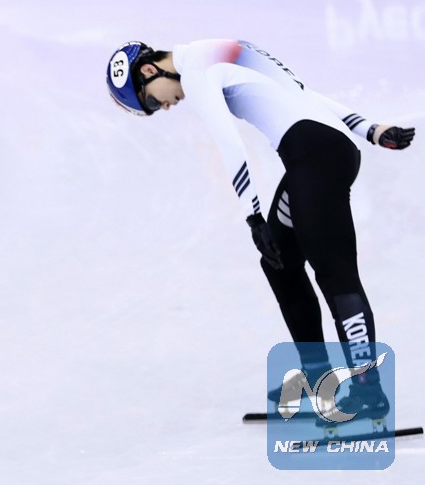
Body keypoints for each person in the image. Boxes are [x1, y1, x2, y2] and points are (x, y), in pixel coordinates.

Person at [106, 39, 415, 419]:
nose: (164, 107)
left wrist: (253, 216)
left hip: (316, 159)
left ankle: (369, 391)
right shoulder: (217, 50)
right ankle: (317, 377)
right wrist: (369, 128)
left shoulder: (196, 70)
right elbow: (301, 92)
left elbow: (229, 143)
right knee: (279, 263)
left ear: (149, 70)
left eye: (152, 102)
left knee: (337, 277)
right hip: (320, 154)